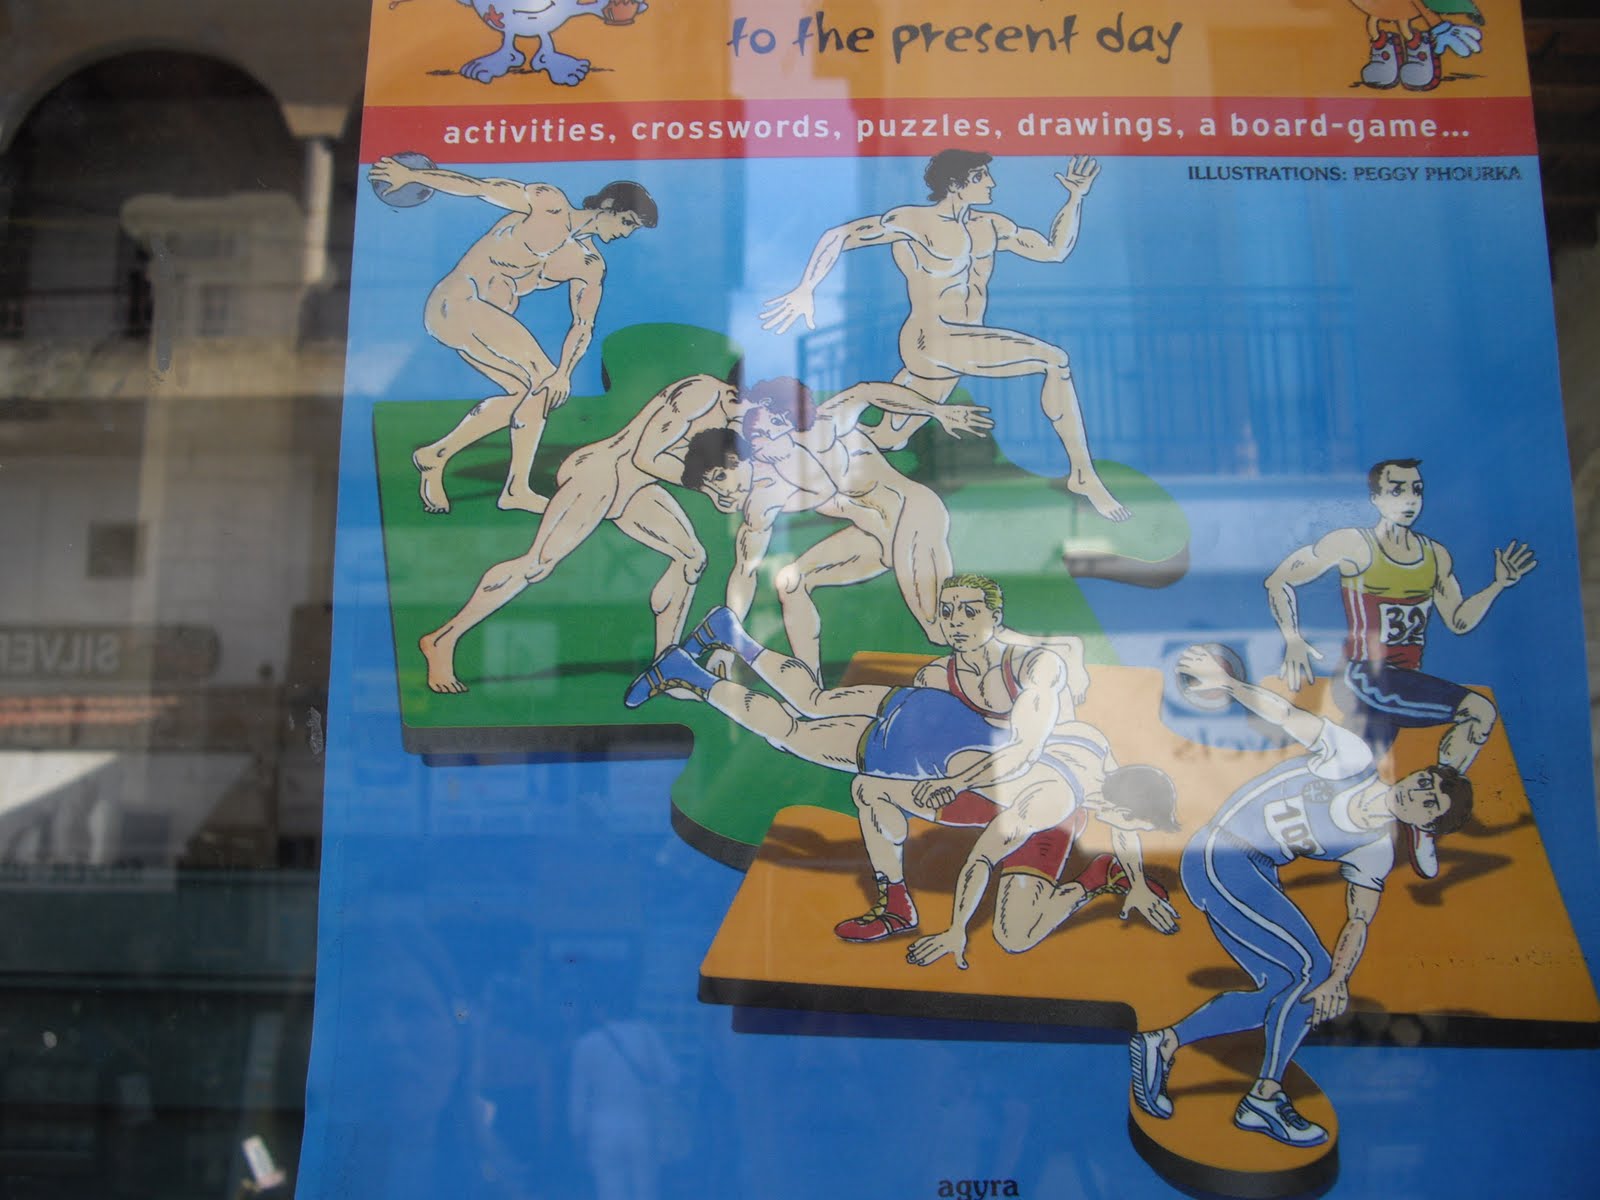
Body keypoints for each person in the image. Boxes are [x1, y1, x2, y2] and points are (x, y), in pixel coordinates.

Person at [624, 576, 1176, 954]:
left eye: (970, 611)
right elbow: (1058, 781)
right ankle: (722, 650)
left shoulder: (1041, 684)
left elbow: (1057, 780)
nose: (956, 622)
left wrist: (1133, 879)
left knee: (1015, 935)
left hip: (998, 790)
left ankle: (1094, 878)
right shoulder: (948, 678)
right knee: (812, 718)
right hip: (949, 759)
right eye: (949, 612)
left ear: (995, 616)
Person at [1129, 645, 1473, 1149]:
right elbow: (1288, 715)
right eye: (1423, 782)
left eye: (1428, 803)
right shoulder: (1354, 760)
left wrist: (1341, 978)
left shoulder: (1375, 847)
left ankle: (1164, 1043)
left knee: (1283, 988)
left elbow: (1359, 919)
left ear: (1427, 824)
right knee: (1309, 971)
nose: (1416, 794)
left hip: (1255, 873)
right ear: (1415, 773)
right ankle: (1264, 1098)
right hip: (1219, 851)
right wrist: (1229, 685)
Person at [760, 150, 1128, 521]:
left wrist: (1075, 198)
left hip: (961, 346)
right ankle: (1083, 475)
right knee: (1054, 361)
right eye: (981, 176)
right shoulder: (913, 221)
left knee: (890, 437)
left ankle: (795, 449)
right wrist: (805, 288)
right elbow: (839, 236)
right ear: (954, 183)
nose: (991, 183)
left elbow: (1054, 251)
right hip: (932, 340)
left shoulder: (991, 226)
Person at [1264, 458, 1532, 875]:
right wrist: (1293, 640)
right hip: (1366, 676)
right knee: (1478, 713)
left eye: (1416, 490)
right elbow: (1279, 579)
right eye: (1397, 490)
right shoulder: (1354, 545)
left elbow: (1459, 621)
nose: (1409, 499)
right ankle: (1427, 820)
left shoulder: (1435, 555)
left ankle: (1308, 834)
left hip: (1401, 685)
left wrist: (1498, 585)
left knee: (1347, 774)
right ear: (1375, 498)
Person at [418, 375, 759, 694]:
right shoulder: (699, 394)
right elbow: (644, 457)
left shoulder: (733, 420)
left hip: (636, 491)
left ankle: (664, 666)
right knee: (537, 564)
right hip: (599, 474)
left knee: (692, 558)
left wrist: (727, 490)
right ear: (735, 394)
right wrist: (710, 489)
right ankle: (442, 639)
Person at [367, 157, 656, 515]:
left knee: (528, 393)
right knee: (541, 379)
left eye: (633, 229)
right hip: (455, 303)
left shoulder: (588, 264)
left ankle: (435, 455)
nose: (626, 233)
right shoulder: (549, 205)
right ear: (607, 205)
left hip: (481, 321)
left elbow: (583, 324)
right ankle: (516, 489)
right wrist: (412, 175)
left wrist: (564, 373)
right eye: (627, 221)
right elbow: (478, 188)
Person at [711, 377, 991, 674]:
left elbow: (867, 392)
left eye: (761, 430)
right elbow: (745, 570)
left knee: (936, 627)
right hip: (874, 540)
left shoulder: (827, 426)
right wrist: (728, 644)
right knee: (791, 582)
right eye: (752, 437)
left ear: (780, 418)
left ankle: (1003, 662)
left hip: (912, 513)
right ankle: (809, 680)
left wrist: (936, 410)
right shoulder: (770, 491)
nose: (757, 441)